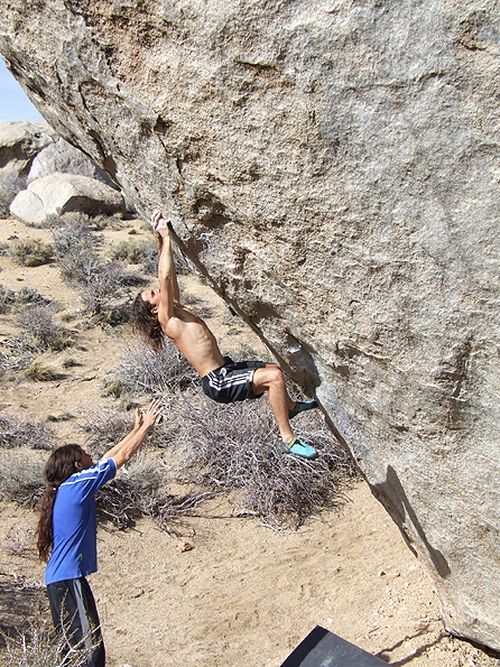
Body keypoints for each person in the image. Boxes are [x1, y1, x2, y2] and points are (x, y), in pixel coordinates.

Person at [132, 211, 319, 459]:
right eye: (152, 294)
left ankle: (291, 407)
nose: (156, 290)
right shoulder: (168, 320)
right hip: (217, 381)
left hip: (225, 368)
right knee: (273, 378)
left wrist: (159, 238)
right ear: (155, 309)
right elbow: (164, 277)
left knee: (276, 369)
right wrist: (166, 237)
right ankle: (288, 438)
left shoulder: (176, 308)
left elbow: (169, 276)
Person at [36, 400, 162, 666]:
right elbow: (121, 457)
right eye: (84, 453)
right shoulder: (78, 484)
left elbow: (107, 458)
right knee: (89, 654)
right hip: (68, 581)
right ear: (76, 464)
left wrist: (135, 429)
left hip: (62, 581)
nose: (89, 454)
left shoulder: (70, 486)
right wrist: (147, 428)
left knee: (77, 652)